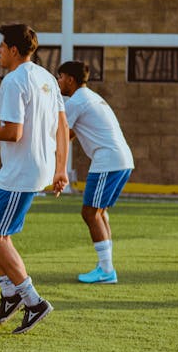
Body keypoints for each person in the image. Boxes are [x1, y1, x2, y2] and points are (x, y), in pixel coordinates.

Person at [0, 23, 68, 335]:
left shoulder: (13, 80)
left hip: (21, 171)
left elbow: (14, 132)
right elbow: (62, 126)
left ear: (13, 49)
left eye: (1, 46)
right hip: (34, 167)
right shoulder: (47, 77)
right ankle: (10, 292)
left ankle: (33, 300)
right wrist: (61, 168)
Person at [56, 61, 134, 283]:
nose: (58, 81)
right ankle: (106, 267)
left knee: (90, 213)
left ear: (70, 79)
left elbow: (60, 135)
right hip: (122, 160)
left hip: (108, 161)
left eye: (60, 77)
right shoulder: (90, 97)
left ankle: (107, 270)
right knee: (98, 212)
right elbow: (68, 135)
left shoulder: (76, 101)